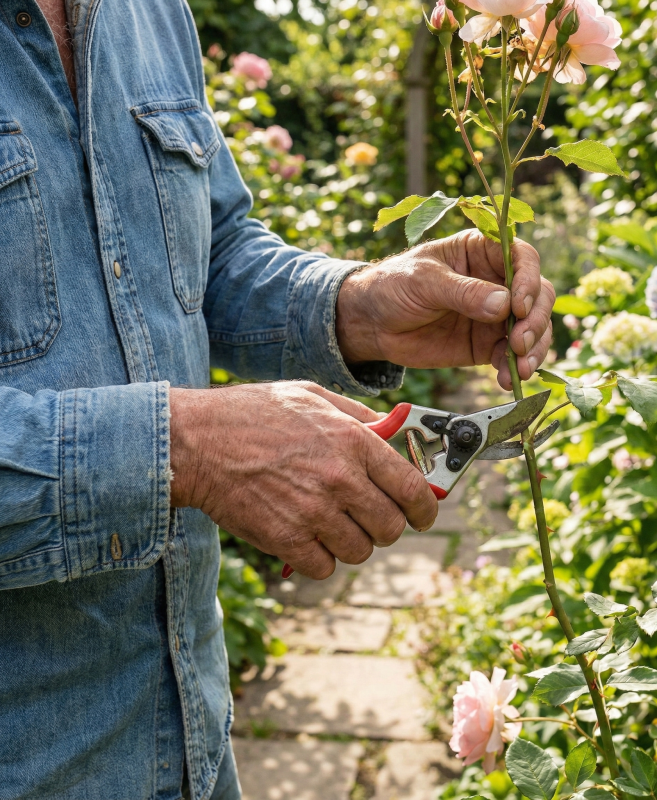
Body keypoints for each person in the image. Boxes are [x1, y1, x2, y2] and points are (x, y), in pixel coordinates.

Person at [0, 1, 555, 797]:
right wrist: (184, 448)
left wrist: (359, 302)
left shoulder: (145, 13)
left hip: (189, 737)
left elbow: (211, 253)